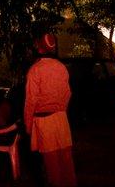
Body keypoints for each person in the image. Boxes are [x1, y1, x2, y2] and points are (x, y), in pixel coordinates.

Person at [24, 33, 77, 187]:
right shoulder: (61, 67)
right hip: (61, 118)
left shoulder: (35, 70)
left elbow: (30, 101)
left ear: (39, 48)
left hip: (44, 121)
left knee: (51, 164)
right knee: (67, 162)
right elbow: (68, 94)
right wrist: (61, 111)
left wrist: (28, 126)